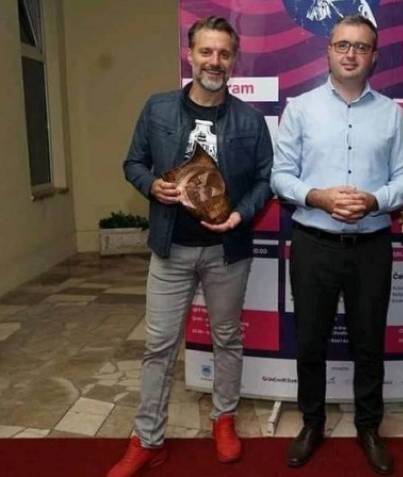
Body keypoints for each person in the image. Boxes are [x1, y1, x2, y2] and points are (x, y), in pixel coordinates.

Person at [107, 16, 273, 477]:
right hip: (170, 249)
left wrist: (241, 214)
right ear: (190, 54)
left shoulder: (250, 120)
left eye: (223, 53)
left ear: (233, 60)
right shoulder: (158, 108)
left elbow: (265, 179)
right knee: (158, 346)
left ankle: (224, 419)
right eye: (206, 51)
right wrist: (151, 185)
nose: (214, 61)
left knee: (227, 339)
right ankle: (148, 440)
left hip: (226, 251)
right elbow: (133, 162)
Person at [271, 14, 403, 476]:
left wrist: (375, 200)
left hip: (371, 245)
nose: (351, 54)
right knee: (310, 340)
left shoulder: (392, 114)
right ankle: (312, 423)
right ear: (328, 51)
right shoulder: (300, 109)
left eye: (361, 46)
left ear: (374, 56)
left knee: (369, 342)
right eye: (342, 45)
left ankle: (368, 428)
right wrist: (318, 196)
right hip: (313, 243)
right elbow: (280, 176)